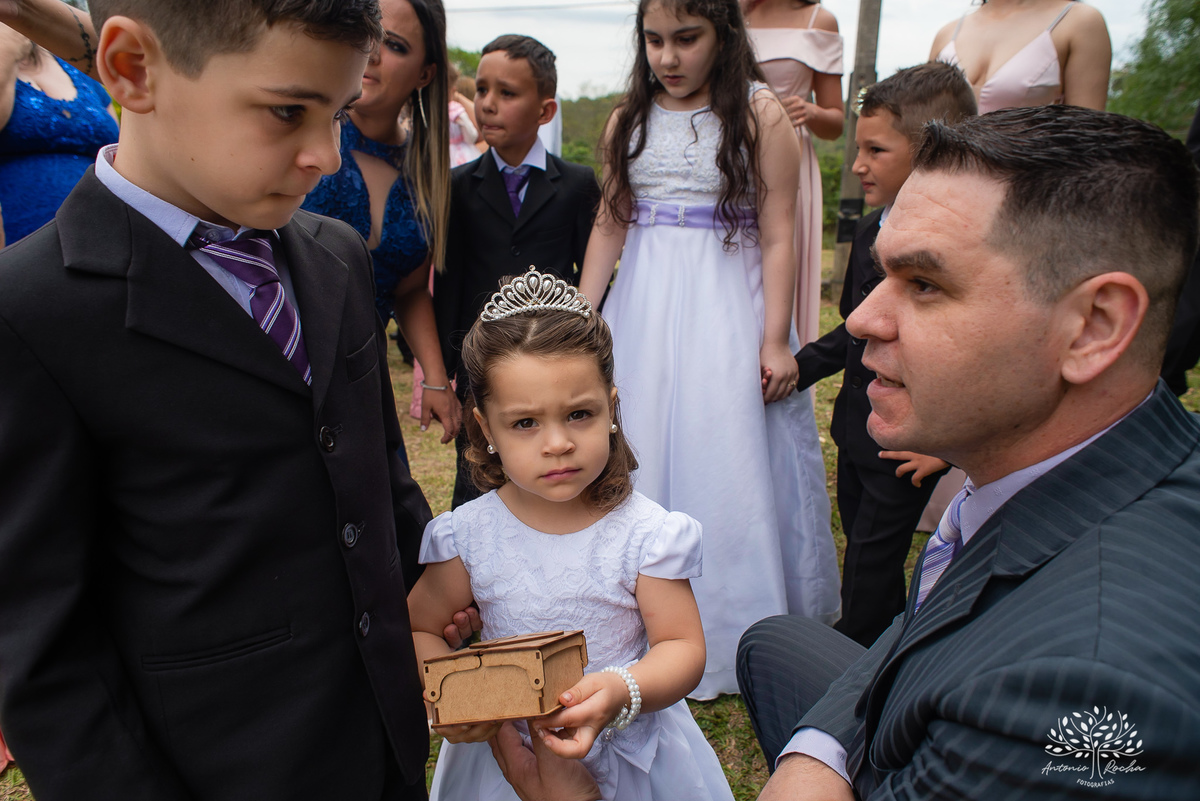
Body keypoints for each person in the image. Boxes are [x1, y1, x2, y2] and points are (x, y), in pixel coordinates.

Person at [0, 1, 437, 798]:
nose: (326, 157)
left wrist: (436, 583)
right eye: (286, 111)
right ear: (134, 68)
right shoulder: (32, 312)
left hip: (383, 747)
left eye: (338, 114)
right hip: (218, 769)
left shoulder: (336, 254)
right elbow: (42, 642)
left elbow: (382, 478)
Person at [735, 105, 1200, 799]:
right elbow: (927, 621)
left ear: (1093, 327)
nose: (862, 318)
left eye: (925, 283)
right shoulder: (1095, 461)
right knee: (772, 642)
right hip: (922, 712)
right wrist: (820, 754)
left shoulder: (1082, 689)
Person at [578, 0, 840, 699]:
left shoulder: (760, 114)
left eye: (686, 39)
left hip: (726, 303)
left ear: (724, 35)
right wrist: (581, 313)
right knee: (637, 439)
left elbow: (780, 230)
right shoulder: (626, 117)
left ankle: (729, 629)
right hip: (645, 305)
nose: (668, 56)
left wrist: (774, 337)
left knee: (721, 445)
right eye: (655, 40)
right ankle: (631, 621)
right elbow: (611, 221)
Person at [408, 268, 735, 801]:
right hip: (506, 755)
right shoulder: (466, 537)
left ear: (611, 408)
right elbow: (420, 628)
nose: (557, 443)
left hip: (627, 751)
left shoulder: (645, 534)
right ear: (485, 428)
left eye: (579, 414)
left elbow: (682, 647)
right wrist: (450, 694)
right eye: (525, 423)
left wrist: (621, 690)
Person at [794, 62, 976, 649]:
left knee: (872, 560)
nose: (858, 164)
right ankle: (896, 640)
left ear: (930, 151)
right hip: (855, 425)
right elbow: (856, 328)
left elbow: (968, 352)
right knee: (862, 544)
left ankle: (853, 661)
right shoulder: (873, 225)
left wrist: (942, 445)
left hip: (909, 441)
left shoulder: (961, 249)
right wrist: (799, 368)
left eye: (875, 149)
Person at [434, 35, 600, 510]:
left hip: (554, 358)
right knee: (479, 471)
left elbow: (590, 271)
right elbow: (449, 281)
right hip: (479, 360)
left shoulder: (576, 183)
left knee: (551, 465)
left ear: (544, 111)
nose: (487, 104)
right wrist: (445, 372)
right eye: (482, 89)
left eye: (506, 93)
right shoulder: (457, 186)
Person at [301, 0, 461, 445]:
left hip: (361, 376)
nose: (372, 54)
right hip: (282, 359)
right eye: (367, 33)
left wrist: (435, 378)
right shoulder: (298, 132)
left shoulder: (429, 177)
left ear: (425, 74)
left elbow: (408, 290)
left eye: (393, 44)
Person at [743, 0, 843, 346]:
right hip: (727, 153)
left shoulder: (820, 19)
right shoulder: (727, 11)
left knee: (781, 256)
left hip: (789, 155)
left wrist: (810, 109)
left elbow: (836, 123)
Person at [0, 22, 118, 243]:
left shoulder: (76, 63)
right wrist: (7, 46)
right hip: (20, 247)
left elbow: (119, 150)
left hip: (107, 234)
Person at [930, 0, 1111, 113]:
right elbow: (916, 129)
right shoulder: (947, 33)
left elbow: (1087, 143)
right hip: (940, 173)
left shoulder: (1078, 21)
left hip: (1033, 173)